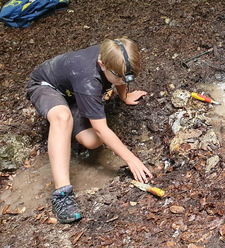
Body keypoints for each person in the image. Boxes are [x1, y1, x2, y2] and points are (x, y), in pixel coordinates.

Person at [26, 38, 153, 223]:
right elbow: (102, 129)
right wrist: (130, 159)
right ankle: (62, 195)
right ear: (102, 65)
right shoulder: (88, 79)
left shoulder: (113, 56)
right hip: (45, 87)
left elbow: (119, 75)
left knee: (92, 141)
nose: (122, 80)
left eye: (127, 78)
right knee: (62, 118)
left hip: (74, 95)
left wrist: (124, 96)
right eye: (119, 77)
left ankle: (67, 119)